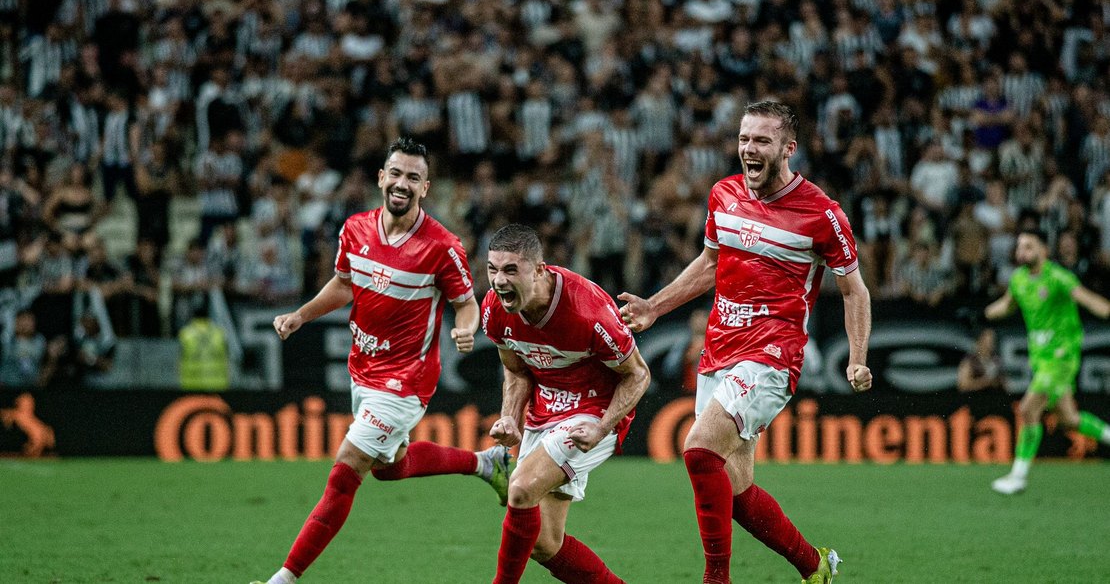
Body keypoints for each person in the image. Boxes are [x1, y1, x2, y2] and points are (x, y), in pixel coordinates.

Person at [618, 101, 873, 584]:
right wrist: (654, 306)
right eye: (743, 139)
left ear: (787, 149)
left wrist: (856, 358)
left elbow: (853, 289)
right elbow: (710, 264)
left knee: (697, 450)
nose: (748, 150)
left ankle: (717, 579)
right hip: (719, 350)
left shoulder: (823, 214)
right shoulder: (724, 194)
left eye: (761, 141)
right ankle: (816, 566)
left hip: (772, 355)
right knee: (734, 491)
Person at [252, 138, 511, 584]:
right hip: (364, 370)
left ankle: (284, 578)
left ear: (425, 188)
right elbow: (343, 284)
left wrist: (466, 328)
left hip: (407, 379)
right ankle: (486, 464)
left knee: (346, 467)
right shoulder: (354, 228)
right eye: (396, 173)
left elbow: (467, 304)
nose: (402, 184)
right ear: (381, 178)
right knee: (390, 469)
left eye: (413, 177)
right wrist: (300, 315)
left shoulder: (442, 245)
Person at [482, 223, 651, 584]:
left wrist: (603, 426)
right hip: (544, 412)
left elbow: (638, 375)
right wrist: (510, 418)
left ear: (539, 270)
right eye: (493, 269)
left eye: (511, 270)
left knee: (521, 488)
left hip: (593, 412)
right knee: (543, 543)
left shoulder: (587, 312)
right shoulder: (495, 309)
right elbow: (516, 371)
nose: (498, 281)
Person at [984, 229, 1110, 494]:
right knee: (1069, 420)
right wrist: (982, 314)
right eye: (1020, 246)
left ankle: (1018, 476)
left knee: (1028, 409)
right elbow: (1007, 305)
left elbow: (1087, 299)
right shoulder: (1018, 279)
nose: (1022, 252)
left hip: (1062, 357)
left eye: (1029, 246)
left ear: (1044, 250)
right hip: (1041, 360)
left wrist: (1106, 309)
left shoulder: (1058, 277)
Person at [956, 327, 1005, 392]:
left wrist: (999, 381)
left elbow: (1005, 384)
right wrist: (985, 382)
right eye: (986, 341)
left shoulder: (997, 361)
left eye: (992, 341)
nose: (989, 344)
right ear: (980, 341)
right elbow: (962, 385)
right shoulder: (969, 361)